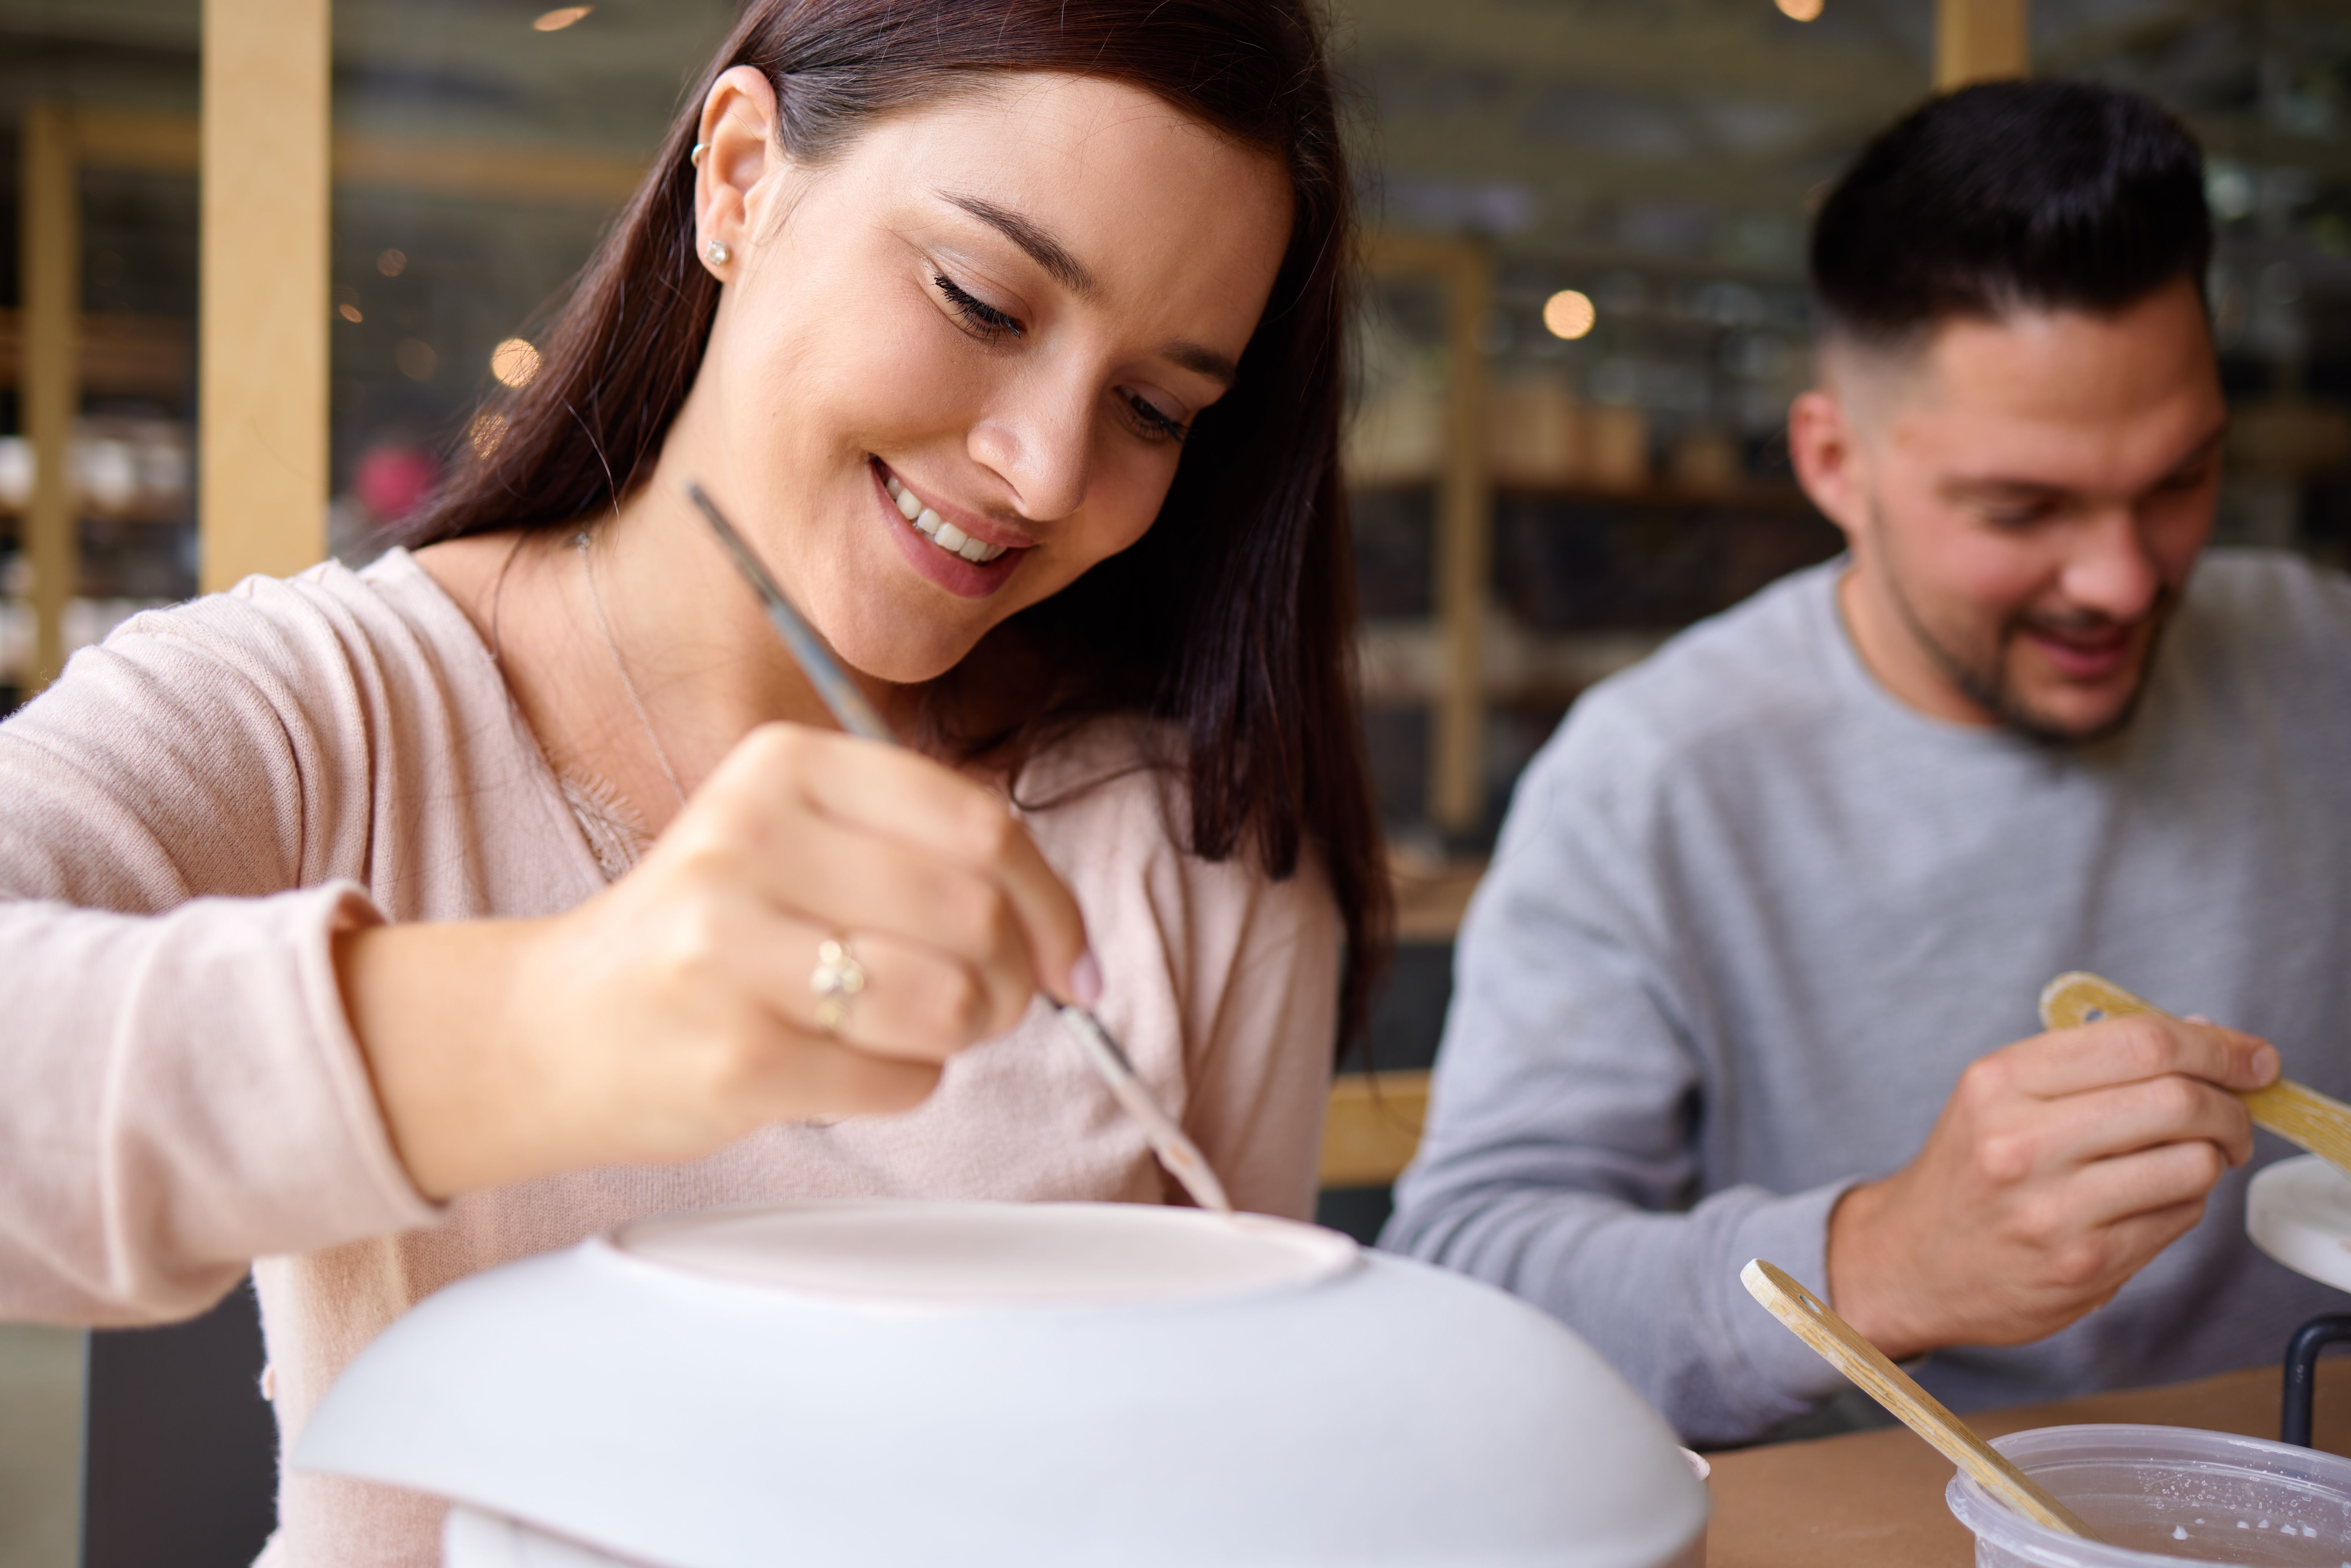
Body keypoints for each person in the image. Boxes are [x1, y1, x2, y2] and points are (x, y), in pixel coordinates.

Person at [0, 1, 1387, 1560]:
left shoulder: (1194, 843)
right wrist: (561, 1018)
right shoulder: (329, 714)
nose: (1049, 469)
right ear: (739, 180)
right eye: (982, 300)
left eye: (1155, 409)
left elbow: (1250, 1483)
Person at [1384, 79, 2351, 1446]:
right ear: (1834, 462)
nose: (2124, 580)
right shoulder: (1657, 777)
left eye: (2182, 482)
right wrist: (1880, 1259)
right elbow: (1471, 1276)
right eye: (2024, 508)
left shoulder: (2322, 663)